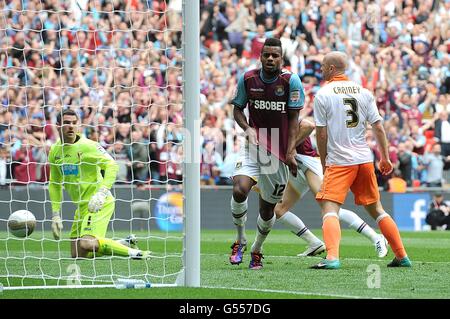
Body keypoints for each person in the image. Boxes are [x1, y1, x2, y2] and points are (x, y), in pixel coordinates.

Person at [312, 51, 411, 269]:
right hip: (364, 160)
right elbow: (378, 127)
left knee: (329, 209)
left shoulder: (323, 94)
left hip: (339, 161)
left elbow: (321, 134)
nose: (320, 70)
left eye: (322, 66)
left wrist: (323, 160)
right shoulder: (364, 92)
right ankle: (402, 256)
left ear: (330, 68)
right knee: (377, 210)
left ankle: (332, 258)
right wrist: (384, 157)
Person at [229, 38, 302, 270]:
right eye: (266, 55)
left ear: (281, 58)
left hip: (277, 154)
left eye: (275, 55)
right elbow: (237, 109)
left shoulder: (291, 81)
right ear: (260, 56)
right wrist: (247, 128)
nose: (270, 59)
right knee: (239, 189)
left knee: (267, 209)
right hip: (253, 147)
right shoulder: (248, 79)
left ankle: (257, 250)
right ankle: (239, 240)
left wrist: (290, 152)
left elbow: (293, 119)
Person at [274, 119, 389, 258]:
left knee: (330, 209)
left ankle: (376, 237)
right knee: (278, 210)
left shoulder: (284, 116)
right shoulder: (268, 123)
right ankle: (314, 243)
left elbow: (309, 125)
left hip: (309, 165)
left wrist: (289, 149)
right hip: (296, 168)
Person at [48, 109, 151, 259]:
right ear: (58, 126)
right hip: (82, 206)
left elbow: (112, 165)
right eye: (66, 123)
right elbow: (54, 183)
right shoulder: (55, 151)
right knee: (78, 254)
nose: (71, 126)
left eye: (74, 123)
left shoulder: (88, 146)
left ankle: (135, 254)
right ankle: (124, 242)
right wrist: (55, 214)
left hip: (98, 203)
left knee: (86, 244)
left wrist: (101, 193)